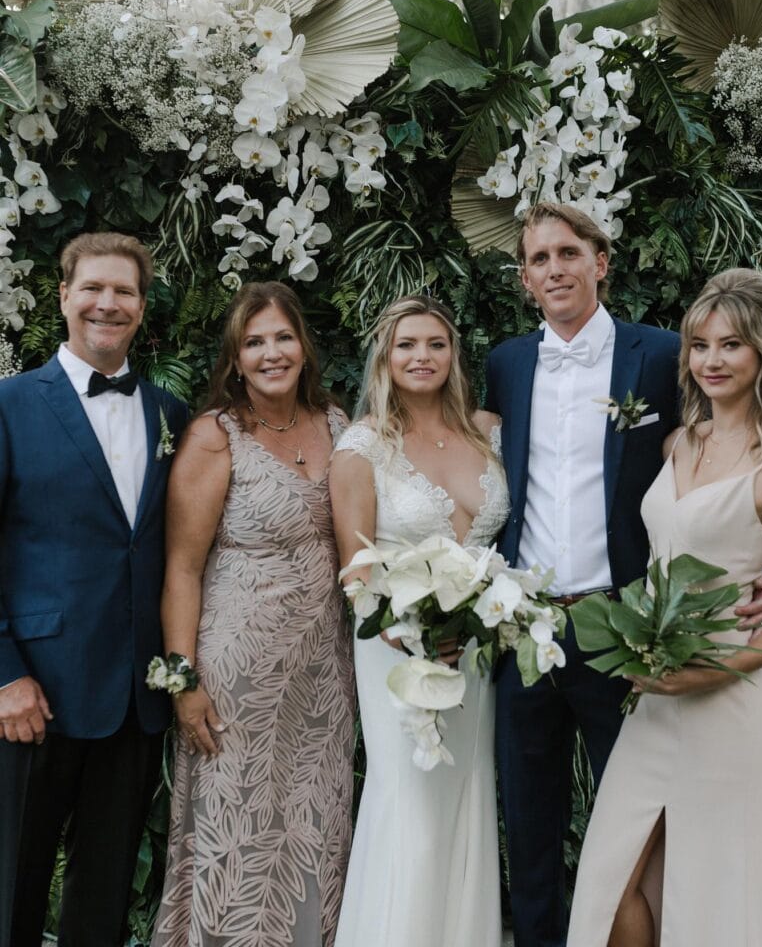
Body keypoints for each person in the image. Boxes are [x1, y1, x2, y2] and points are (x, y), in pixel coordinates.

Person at [485, 203, 762, 947]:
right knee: (530, 822)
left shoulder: (661, 355)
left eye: (568, 253)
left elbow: (714, 462)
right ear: (524, 278)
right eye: (540, 258)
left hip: (632, 631)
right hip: (528, 628)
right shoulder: (507, 365)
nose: (555, 268)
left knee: (642, 838)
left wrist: (751, 562)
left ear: (600, 262)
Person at [566, 267, 762, 947]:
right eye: (699, 345)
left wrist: (713, 671)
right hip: (655, 698)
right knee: (612, 884)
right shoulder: (678, 441)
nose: (711, 360)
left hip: (729, 702)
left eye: (730, 345)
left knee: (712, 895)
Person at [151, 281, 354, 947]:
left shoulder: (340, 424)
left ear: (304, 346)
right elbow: (181, 566)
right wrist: (184, 682)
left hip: (324, 676)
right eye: (254, 342)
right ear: (236, 360)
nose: (272, 353)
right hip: (235, 676)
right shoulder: (217, 436)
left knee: (314, 831)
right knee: (232, 836)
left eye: (283, 337)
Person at [0, 232, 188, 947]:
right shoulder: (10, 405)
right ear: (64, 297)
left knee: (102, 899)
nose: (109, 304)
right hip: (33, 695)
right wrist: (5, 676)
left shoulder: (171, 414)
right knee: (13, 887)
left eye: (125, 292)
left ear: (142, 306)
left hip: (135, 697)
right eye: (94, 288)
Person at [329, 295, 510, 947]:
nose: (422, 356)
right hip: (397, 649)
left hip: (480, 649)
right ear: (385, 354)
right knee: (411, 802)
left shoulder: (490, 432)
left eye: (435, 344)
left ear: (452, 354)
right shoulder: (362, 445)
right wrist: (417, 636)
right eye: (407, 344)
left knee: (467, 797)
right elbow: (355, 570)